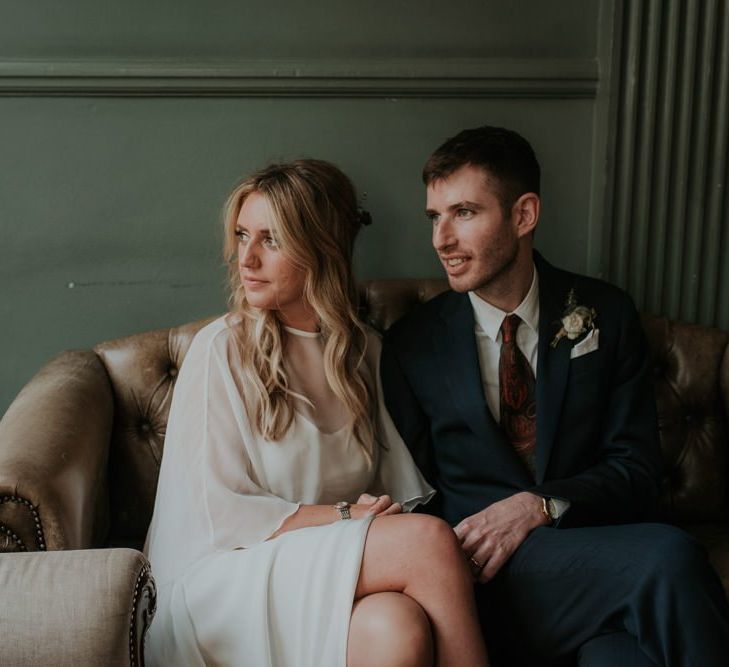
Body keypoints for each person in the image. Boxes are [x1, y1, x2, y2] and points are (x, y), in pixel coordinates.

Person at [380, 125, 729, 666]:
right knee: (672, 557)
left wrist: (539, 505)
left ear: (524, 215)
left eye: (465, 213)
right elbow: (413, 489)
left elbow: (636, 468)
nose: (441, 240)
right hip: (486, 582)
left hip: (594, 559)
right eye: (435, 216)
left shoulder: (604, 312)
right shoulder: (411, 344)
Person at [143, 159, 489, 667]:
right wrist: (346, 517)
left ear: (320, 250)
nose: (247, 258)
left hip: (322, 571)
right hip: (224, 578)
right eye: (242, 235)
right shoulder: (221, 349)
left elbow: (397, 491)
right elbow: (223, 514)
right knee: (429, 545)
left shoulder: (365, 353)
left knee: (397, 627)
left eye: (271, 239)